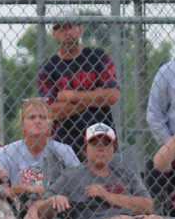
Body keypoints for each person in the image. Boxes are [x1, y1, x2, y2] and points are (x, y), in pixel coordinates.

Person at [0, 99, 81, 219]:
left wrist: (57, 195)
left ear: (50, 125)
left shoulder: (64, 151)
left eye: (43, 117)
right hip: (18, 209)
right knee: (36, 206)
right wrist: (24, 188)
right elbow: (0, 188)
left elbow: (79, 185)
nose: (38, 121)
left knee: (40, 206)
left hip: (60, 210)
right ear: (23, 125)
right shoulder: (9, 152)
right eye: (32, 117)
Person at [38, 21, 119, 154]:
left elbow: (112, 96)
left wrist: (71, 96)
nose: (67, 32)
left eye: (70, 27)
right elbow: (50, 112)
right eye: (61, 29)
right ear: (54, 34)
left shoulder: (98, 57)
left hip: (101, 138)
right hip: (65, 142)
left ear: (81, 29)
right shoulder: (48, 68)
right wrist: (95, 97)